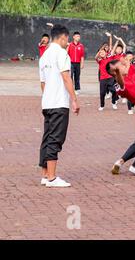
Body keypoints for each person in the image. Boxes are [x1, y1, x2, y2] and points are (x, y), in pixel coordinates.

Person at [39, 24, 80, 188]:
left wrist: (47, 97)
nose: (67, 42)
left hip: (47, 103)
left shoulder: (44, 56)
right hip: (58, 103)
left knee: (47, 138)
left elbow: (43, 83)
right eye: (67, 39)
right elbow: (66, 77)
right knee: (56, 138)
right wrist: (74, 99)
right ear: (62, 37)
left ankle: (45, 175)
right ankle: (52, 178)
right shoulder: (62, 53)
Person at [124, 44, 135, 115]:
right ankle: (129, 109)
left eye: (131, 56)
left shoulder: (133, 62)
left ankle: (132, 105)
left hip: (134, 82)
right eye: (128, 56)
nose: (129, 57)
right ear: (125, 57)